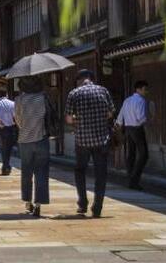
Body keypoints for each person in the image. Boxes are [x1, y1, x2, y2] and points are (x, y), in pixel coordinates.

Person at [65, 69, 115, 218]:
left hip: (82, 140)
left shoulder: (74, 93)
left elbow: (68, 119)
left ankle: (82, 203)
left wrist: (77, 120)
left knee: (80, 170)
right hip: (101, 139)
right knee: (101, 174)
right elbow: (111, 112)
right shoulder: (103, 90)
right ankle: (97, 207)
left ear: (79, 80)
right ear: (91, 78)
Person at [14, 76, 51, 217]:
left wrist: (25, 128)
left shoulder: (19, 100)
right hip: (41, 138)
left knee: (26, 172)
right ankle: (38, 204)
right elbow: (47, 116)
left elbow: (17, 119)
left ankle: (28, 201)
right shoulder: (43, 98)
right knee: (41, 172)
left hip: (24, 140)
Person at [116, 80, 150, 190]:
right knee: (144, 155)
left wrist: (119, 125)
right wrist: (148, 119)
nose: (146, 92)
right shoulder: (140, 100)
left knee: (131, 154)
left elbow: (120, 116)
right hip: (137, 128)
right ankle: (134, 179)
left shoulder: (127, 100)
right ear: (138, 89)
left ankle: (130, 177)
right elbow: (141, 118)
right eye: (145, 89)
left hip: (128, 128)